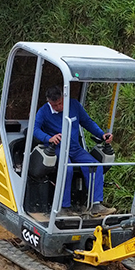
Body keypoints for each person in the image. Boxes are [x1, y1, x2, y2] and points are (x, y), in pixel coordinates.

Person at [32, 85, 115, 216]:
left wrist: (101, 134)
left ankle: (95, 205)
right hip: (58, 148)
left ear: (64, 98)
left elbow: (87, 122)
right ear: (49, 102)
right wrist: (49, 138)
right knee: (67, 169)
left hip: (75, 147)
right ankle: (64, 207)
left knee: (95, 166)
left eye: (60, 103)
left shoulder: (74, 105)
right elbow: (35, 130)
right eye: (55, 105)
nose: (59, 107)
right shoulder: (43, 112)